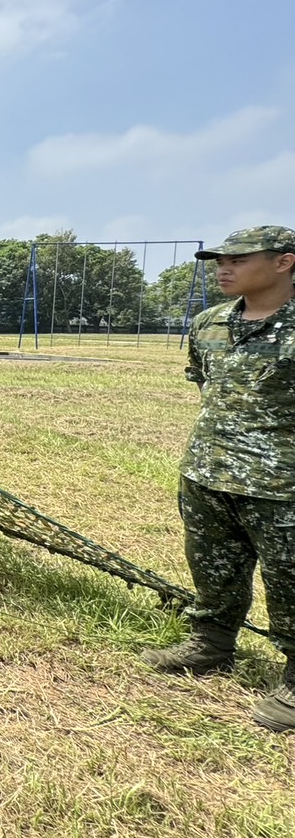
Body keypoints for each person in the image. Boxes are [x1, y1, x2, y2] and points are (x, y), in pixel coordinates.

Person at [141, 226, 295, 732]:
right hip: (208, 472)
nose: (222, 268)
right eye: (218, 260)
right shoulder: (209, 323)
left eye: (237, 259)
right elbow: (207, 385)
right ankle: (210, 644)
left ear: (283, 262)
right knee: (213, 569)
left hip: (282, 486)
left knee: (289, 580)